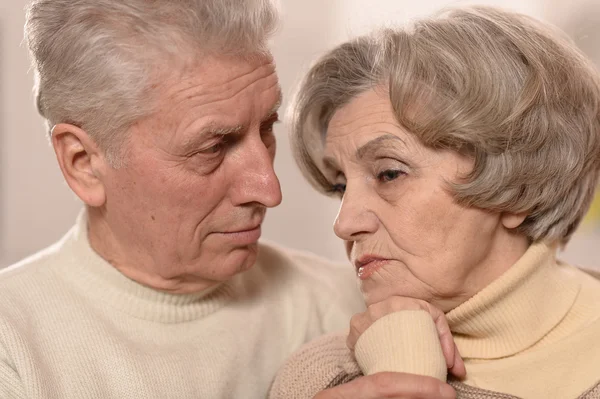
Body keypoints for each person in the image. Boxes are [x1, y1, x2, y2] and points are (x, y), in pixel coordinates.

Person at [1, 1, 462, 398]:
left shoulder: (358, 306)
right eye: (213, 147)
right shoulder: (12, 345)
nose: (269, 189)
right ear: (84, 162)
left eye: (266, 129)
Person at [270, 5, 600, 399]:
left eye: (389, 173)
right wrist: (403, 366)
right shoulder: (323, 379)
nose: (344, 224)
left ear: (521, 188)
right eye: (341, 186)